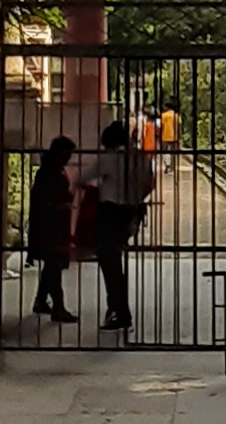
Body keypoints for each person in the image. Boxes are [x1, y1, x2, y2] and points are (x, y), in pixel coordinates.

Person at [77, 120, 155, 331]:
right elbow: (150, 184)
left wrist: (97, 188)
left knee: (109, 262)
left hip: (110, 213)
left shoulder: (109, 159)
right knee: (115, 260)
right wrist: (135, 197)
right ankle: (118, 309)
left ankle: (119, 310)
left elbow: (82, 177)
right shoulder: (141, 158)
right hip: (131, 212)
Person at [26, 136, 78, 324]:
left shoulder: (51, 169)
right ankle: (58, 308)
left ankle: (41, 300)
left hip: (52, 225)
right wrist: (62, 205)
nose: (69, 158)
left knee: (51, 265)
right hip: (50, 226)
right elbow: (45, 202)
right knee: (54, 266)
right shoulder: (49, 172)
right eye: (68, 154)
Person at [159, 96, 180, 173]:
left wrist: (158, 136)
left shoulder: (163, 116)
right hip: (174, 137)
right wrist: (179, 137)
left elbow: (161, 126)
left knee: (163, 152)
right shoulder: (176, 115)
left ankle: (167, 165)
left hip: (165, 136)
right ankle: (172, 168)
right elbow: (178, 127)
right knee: (173, 154)